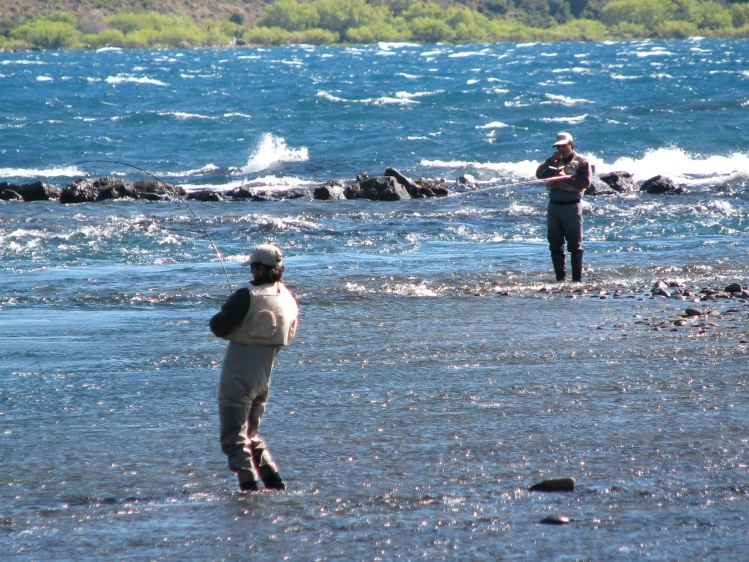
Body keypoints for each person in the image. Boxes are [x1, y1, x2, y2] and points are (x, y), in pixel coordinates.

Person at [209, 243, 299, 492]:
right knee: (251, 435)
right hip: (264, 376)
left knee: (234, 440)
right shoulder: (287, 297)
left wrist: (226, 311)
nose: (251, 272)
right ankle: (275, 484)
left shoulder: (246, 295)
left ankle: (248, 490)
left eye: (253, 268)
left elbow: (218, 327)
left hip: (238, 375)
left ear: (259, 269)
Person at [535, 132, 592, 282]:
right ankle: (560, 280)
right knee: (555, 244)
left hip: (571, 206)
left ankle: (577, 281)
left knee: (575, 246)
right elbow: (539, 175)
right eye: (558, 146)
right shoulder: (554, 161)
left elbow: (585, 184)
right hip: (553, 207)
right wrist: (549, 162)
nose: (561, 149)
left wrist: (567, 178)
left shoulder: (582, 162)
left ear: (571, 144)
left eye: (564, 145)